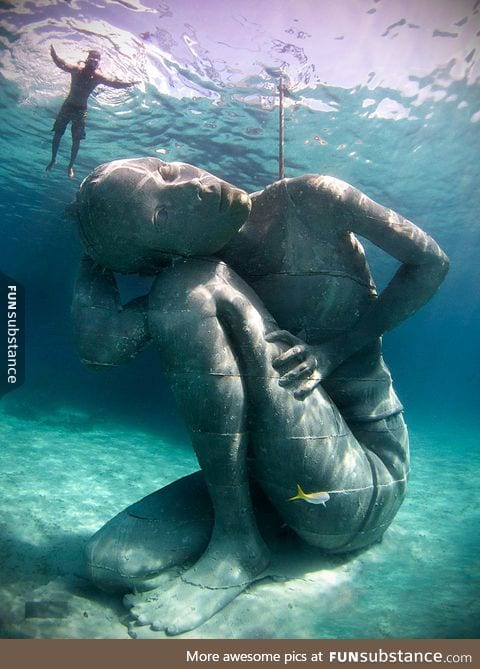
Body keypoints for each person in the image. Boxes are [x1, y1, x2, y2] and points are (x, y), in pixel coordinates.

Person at [69, 158, 449, 635]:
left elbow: (431, 261)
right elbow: (100, 349)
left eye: (166, 171)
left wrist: (336, 351)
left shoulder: (312, 200)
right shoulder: (206, 275)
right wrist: (96, 254)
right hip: (285, 484)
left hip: (367, 481)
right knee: (110, 562)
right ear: (165, 250)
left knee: (189, 285)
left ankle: (238, 543)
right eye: (162, 216)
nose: (191, 187)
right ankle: (253, 526)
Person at [45, 45, 139, 178]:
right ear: (87, 60)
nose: (93, 63)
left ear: (98, 64)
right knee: (57, 133)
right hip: (67, 106)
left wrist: (130, 83)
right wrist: (54, 55)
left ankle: (70, 165)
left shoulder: (97, 77)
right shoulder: (77, 70)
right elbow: (61, 64)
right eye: (91, 60)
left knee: (76, 140)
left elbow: (114, 83)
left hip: (81, 110)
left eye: (96, 61)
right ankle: (53, 159)